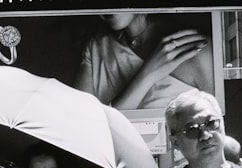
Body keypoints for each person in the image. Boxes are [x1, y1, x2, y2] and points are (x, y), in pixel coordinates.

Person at [74, 13, 213, 110]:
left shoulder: (198, 50)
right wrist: (147, 75)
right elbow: (85, 131)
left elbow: (216, 134)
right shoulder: (96, 49)